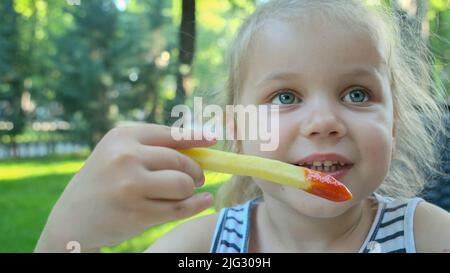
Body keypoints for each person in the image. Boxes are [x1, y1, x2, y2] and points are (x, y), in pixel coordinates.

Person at [35, 0, 450, 253]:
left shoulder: (428, 236)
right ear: (239, 132)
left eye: (357, 94)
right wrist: (68, 235)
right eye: (285, 96)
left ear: (392, 125)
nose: (325, 122)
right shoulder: (204, 247)